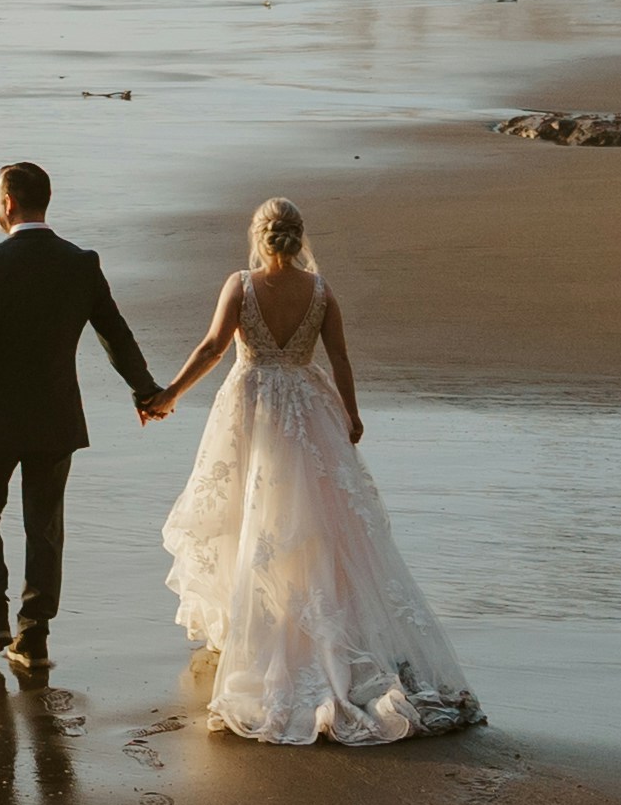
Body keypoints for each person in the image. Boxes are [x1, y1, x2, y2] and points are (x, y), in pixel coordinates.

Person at [144, 197, 484, 745]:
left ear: (258, 235)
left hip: (252, 406)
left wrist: (169, 395)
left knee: (252, 513)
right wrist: (350, 413)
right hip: (308, 406)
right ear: (299, 238)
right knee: (315, 522)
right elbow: (340, 359)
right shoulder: (321, 291)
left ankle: (260, 631)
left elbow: (211, 347)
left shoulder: (241, 284)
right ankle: (309, 626)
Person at [0, 160, 164, 667]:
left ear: (9, 203)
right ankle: (34, 634)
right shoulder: (80, 263)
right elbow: (116, 334)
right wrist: (145, 391)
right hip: (57, 417)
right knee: (44, 525)